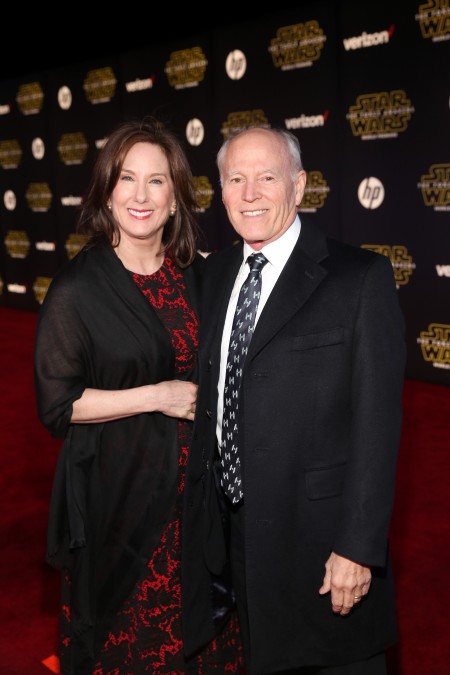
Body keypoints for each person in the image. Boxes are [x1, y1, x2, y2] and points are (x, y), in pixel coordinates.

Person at [181, 126, 406, 674]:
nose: (250, 192)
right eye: (236, 178)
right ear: (222, 190)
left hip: (321, 548)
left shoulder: (359, 278)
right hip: (230, 547)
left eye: (267, 177)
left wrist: (357, 548)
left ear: (299, 185)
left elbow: (379, 427)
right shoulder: (211, 275)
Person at [34, 117, 244, 674]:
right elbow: (59, 406)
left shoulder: (199, 277)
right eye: (127, 179)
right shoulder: (78, 289)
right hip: (121, 499)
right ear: (106, 192)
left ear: (175, 199)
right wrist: (157, 395)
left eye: (157, 181)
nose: (141, 195)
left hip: (201, 501)